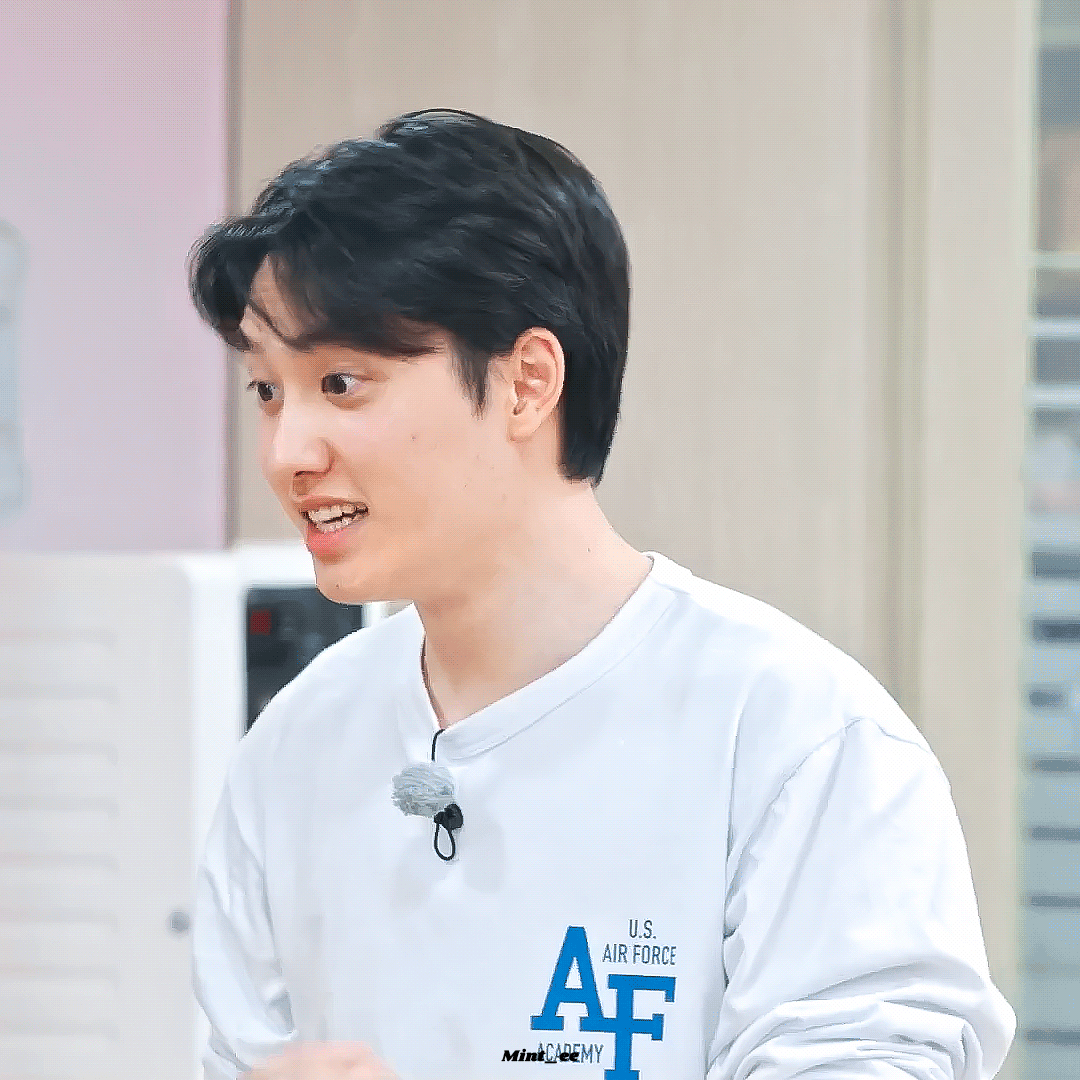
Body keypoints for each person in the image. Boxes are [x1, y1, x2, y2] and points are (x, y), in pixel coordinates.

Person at [187, 109, 1015, 1080]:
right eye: (266, 391)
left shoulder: (797, 740)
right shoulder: (296, 749)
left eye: (339, 382)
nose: (287, 453)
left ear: (528, 381)